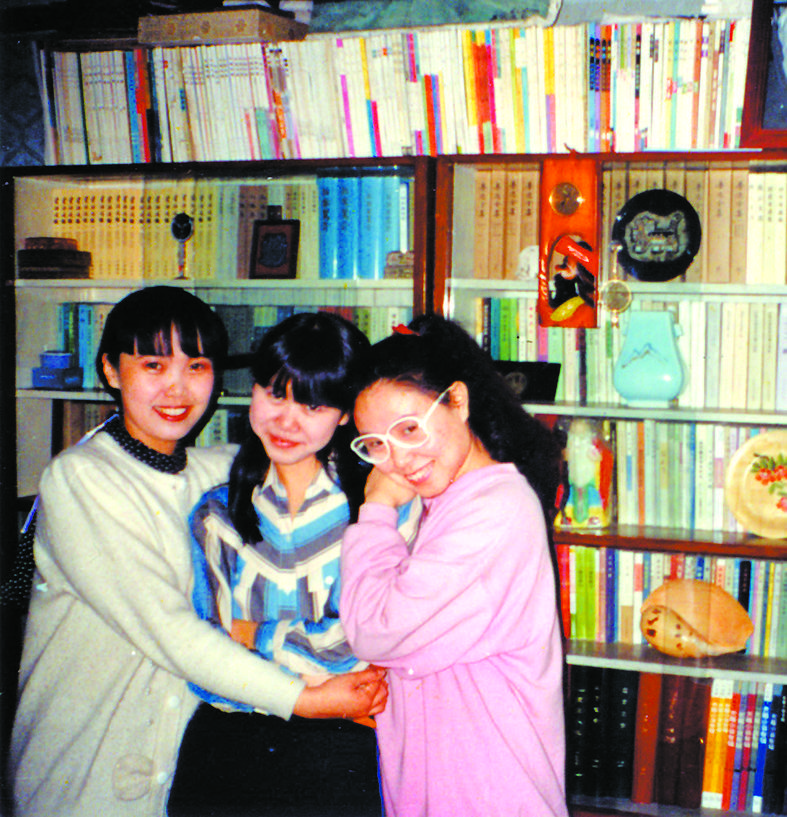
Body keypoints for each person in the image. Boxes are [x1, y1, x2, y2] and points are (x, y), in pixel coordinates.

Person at [9, 288, 387, 817]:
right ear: (111, 370)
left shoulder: (218, 472)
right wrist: (304, 699)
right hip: (89, 758)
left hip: (183, 758)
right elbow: (169, 628)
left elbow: (307, 466)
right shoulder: (81, 478)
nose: (176, 387)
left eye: (197, 366)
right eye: (153, 365)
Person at [169, 311, 418, 817]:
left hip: (339, 753)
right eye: (274, 394)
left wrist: (252, 636)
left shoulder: (384, 508)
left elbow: (367, 641)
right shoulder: (217, 514)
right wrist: (313, 677)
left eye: (313, 404)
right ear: (254, 391)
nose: (286, 420)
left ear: (345, 414)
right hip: (224, 749)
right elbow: (203, 661)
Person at [340, 314, 569, 817]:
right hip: (446, 781)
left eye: (409, 429)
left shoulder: (493, 509)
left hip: (490, 790)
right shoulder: (446, 498)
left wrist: (375, 510)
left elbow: (375, 630)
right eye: (376, 444)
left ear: (459, 401)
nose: (398, 460)